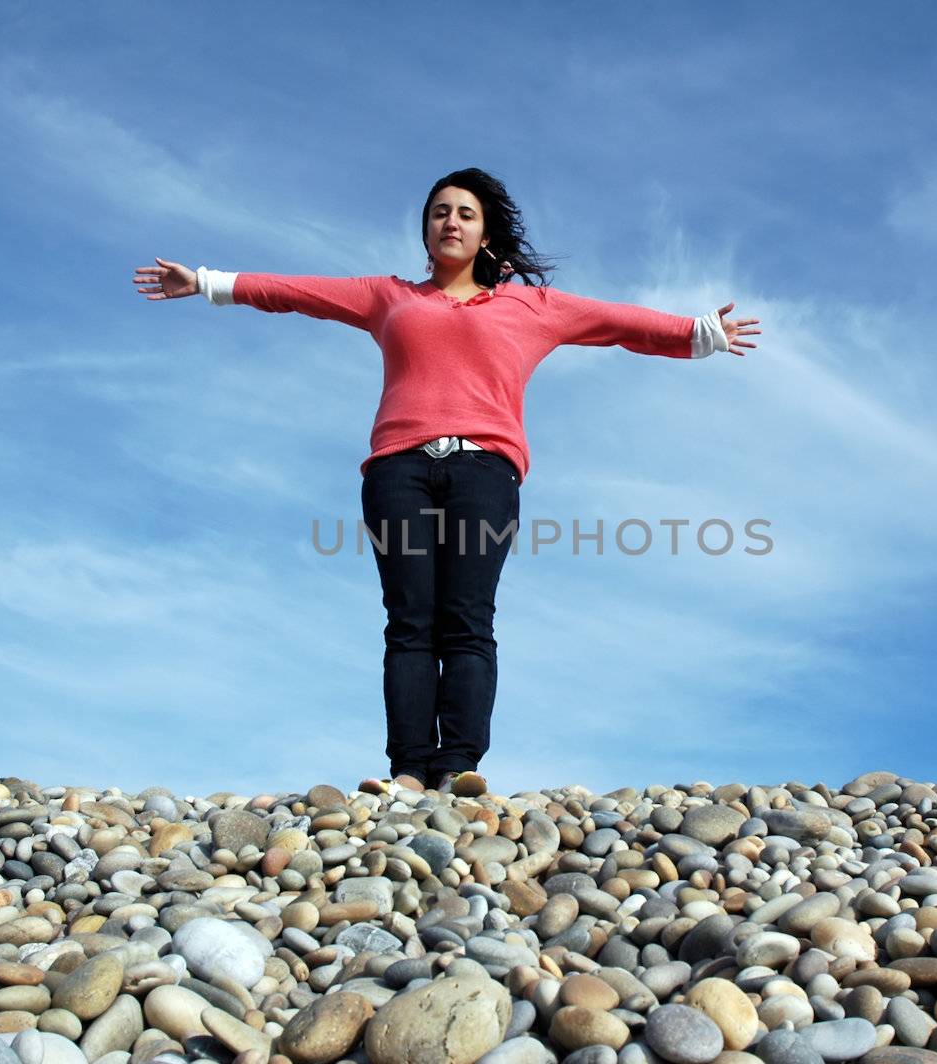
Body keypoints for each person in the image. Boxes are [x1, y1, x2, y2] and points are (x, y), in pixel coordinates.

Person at [134, 167, 760, 798]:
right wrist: (209, 283)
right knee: (408, 620)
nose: (450, 222)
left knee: (466, 619)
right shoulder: (390, 297)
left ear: (485, 232)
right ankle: (408, 769)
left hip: (484, 472)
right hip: (397, 470)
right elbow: (299, 291)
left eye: (464, 213)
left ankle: (459, 766)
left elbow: (619, 323)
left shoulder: (531, 306)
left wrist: (699, 333)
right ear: (426, 230)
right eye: (439, 213)